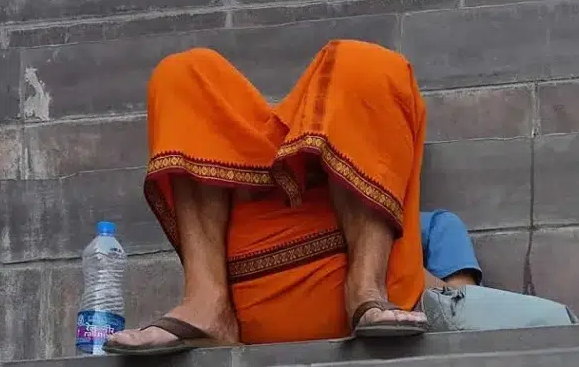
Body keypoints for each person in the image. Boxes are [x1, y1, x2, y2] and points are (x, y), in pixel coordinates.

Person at [104, 41, 430, 355]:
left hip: (366, 296)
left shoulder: (430, 223)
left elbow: (451, 285)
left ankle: (366, 292)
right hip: (238, 283)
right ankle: (206, 306)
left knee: (366, 63)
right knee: (179, 72)